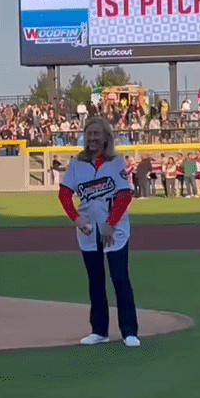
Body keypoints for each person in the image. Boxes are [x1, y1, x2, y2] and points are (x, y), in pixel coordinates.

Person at [58, 115, 141, 348]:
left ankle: (129, 331)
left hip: (115, 230)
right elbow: (64, 195)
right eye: (89, 134)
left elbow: (124, 195)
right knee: (95, 281)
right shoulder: (77, 164)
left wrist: (111, 223)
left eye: (97, 134)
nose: (92, 138)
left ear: (106, 137)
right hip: (88, 230)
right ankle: (99, 330)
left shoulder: (115, 162)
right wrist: (76, 219)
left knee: (120, 279)